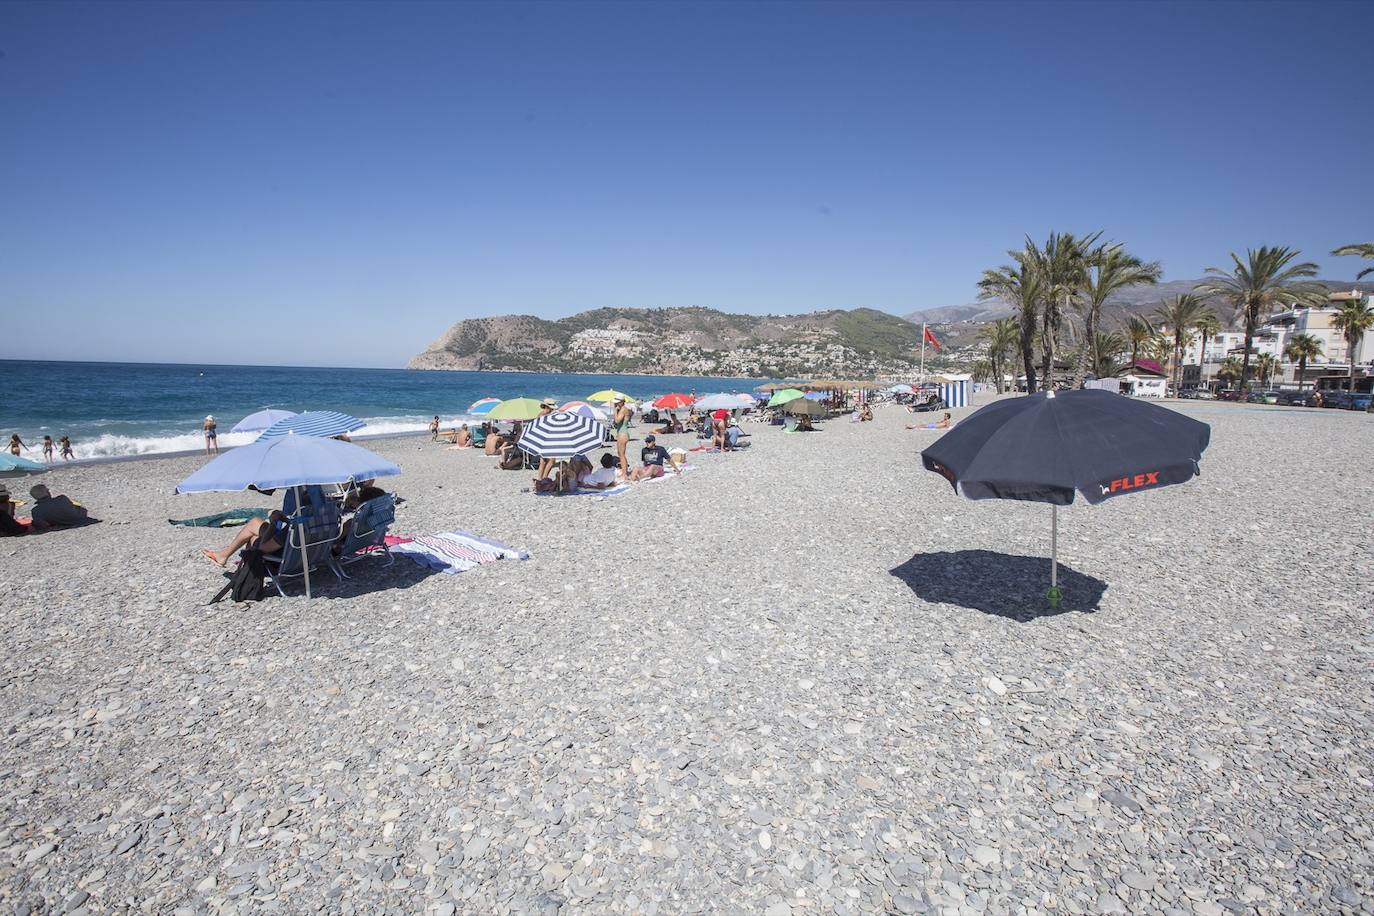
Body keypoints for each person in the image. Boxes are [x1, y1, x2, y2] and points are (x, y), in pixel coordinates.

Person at [536, 399, 557, 480]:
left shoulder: (540, 414)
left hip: (541, 440)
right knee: (551, 461)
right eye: (551, 408)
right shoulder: (544, 416)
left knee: (543, 461)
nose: (552, 410)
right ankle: (544, 479)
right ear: (547, 406)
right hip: (546, 440)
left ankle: (540, 479)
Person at [611, 397, 632, 478]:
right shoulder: (622, 409)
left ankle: (624, 474)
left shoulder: (623, 409)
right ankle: (625, 471)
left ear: (622, 402)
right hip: (621, 433)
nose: (615, 403)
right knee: (620, 454)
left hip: (623, 434)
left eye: (617, 402)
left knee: (622, 454)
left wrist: (614, 410)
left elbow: (617, 421)